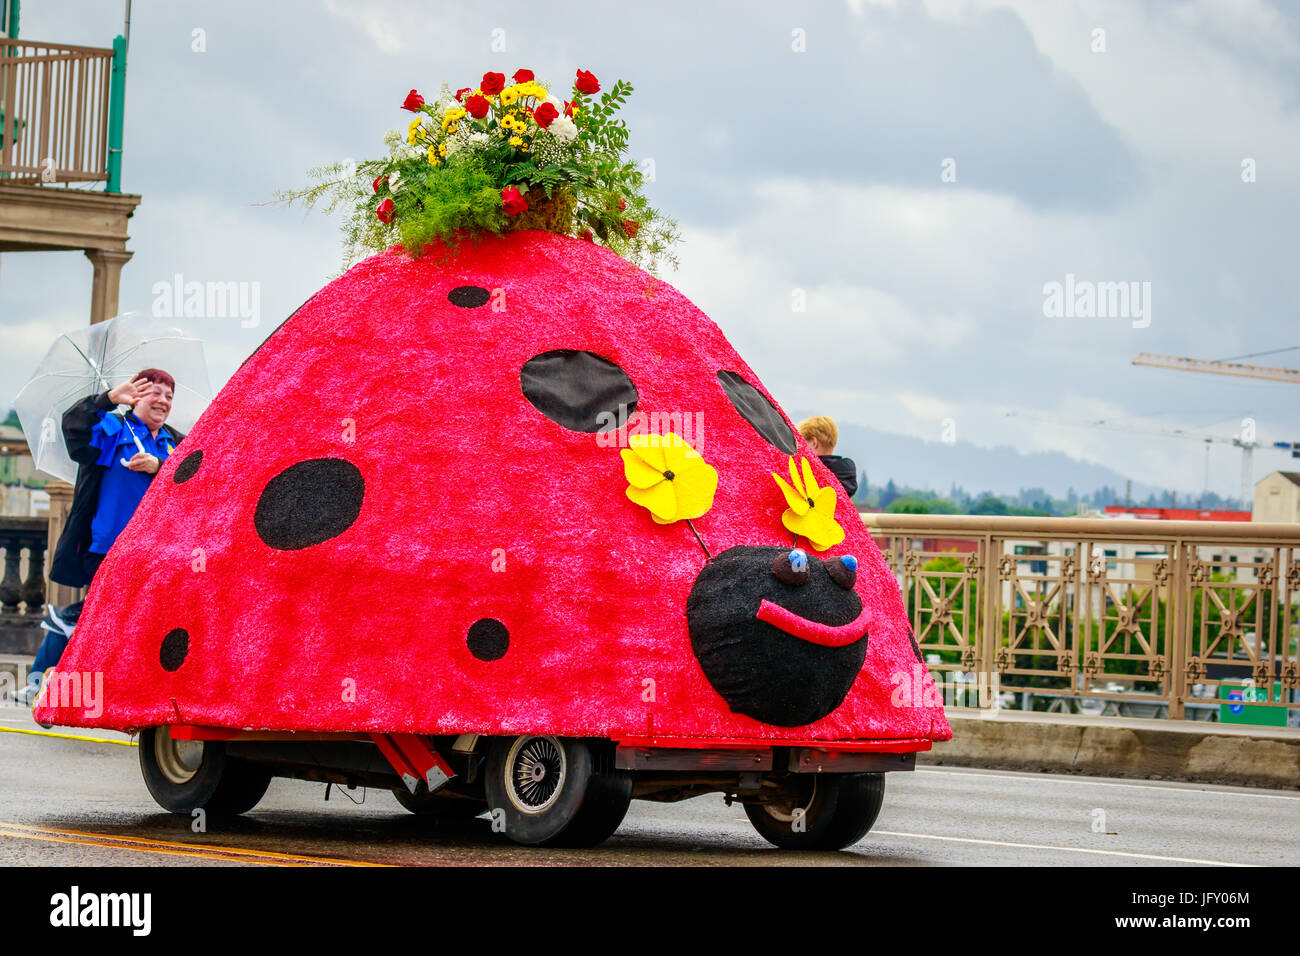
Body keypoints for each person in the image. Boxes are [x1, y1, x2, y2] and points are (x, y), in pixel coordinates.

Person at [13, 370, 183, 707]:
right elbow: (73, 429)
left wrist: (159, 466)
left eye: (169, 396)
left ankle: (64, 688)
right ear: (136, 395)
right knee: (99, 614)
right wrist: (106, 400)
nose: (163, 401)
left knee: (124, 618)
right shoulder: (113, 427)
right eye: (155, 393)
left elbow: (196, 477)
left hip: (156, 552)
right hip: (111, 549)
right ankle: (52, 686)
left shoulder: (175, 443)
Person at [797, 415, 858, 497]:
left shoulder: (806, 472)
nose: (799, 450)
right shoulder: (846, 472)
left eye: (802, 443)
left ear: (814, 443)